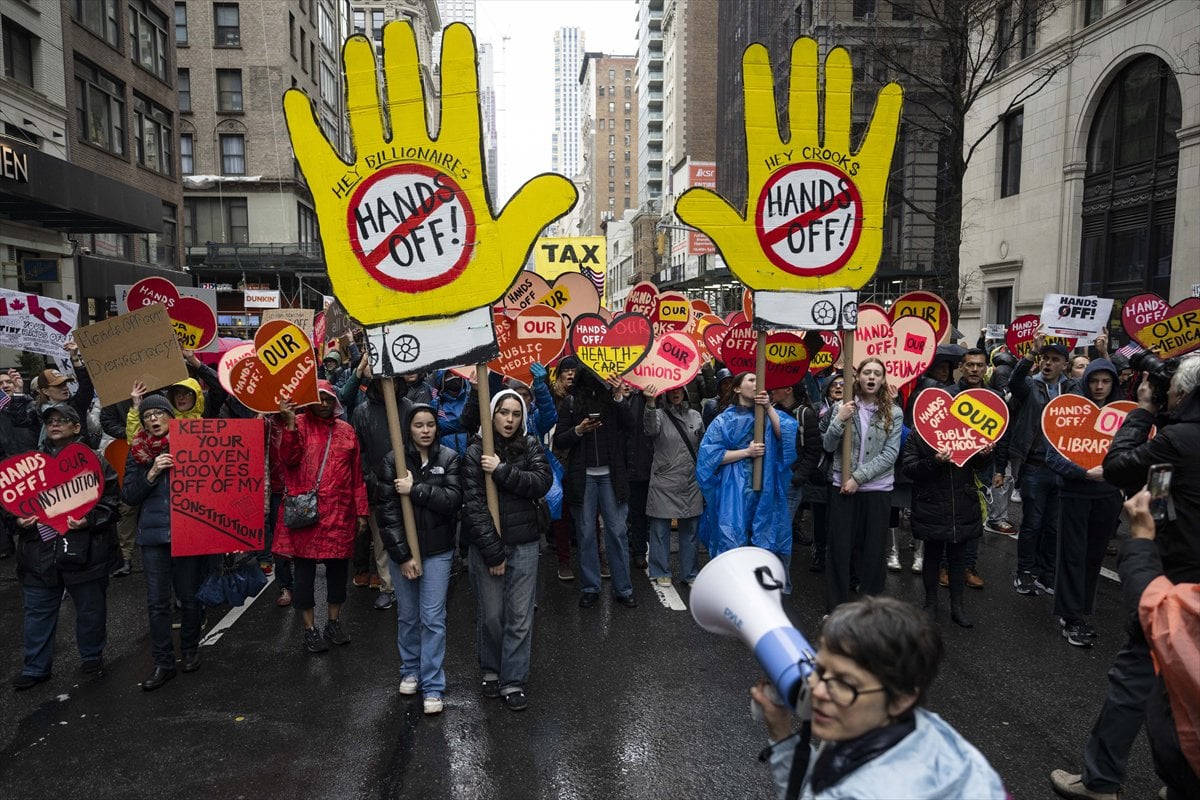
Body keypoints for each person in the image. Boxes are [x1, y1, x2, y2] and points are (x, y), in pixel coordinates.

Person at [1051, 354, 1200, 800]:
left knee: (1135, 675)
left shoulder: (1179, 438)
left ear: (1182, 392)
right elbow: (1163, 487)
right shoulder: (1179, 445)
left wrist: (1144, 410)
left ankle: (1100, 780)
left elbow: (1118, 464)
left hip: (1175, 577)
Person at [753, 596, 1006, 799]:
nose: (817, 691)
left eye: (844, 682)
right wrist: (781, 733)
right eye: (819, 670)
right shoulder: (883, 723)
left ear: (902, 699)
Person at [10, 404, 120, 690]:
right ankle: (35, 667)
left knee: (90, 609)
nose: (55, 424)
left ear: (76, 427)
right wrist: (17, 521)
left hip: (84, 551)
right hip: (39, 552)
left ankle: (92, 656)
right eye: (50, 421)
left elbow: (111, 504)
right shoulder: (29, 465)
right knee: (38, 612)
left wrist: (89, 521)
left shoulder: (94, 461)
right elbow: (10, 506)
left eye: (62, 420)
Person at [462, 389, 553, 711]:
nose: (510, 420)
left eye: (516, 414)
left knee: (519, 617)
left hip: (525, 544)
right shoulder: (475, 451)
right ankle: (491, 668)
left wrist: (501, 470)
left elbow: (541, 482)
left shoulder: (531, 446)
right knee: (492, 616)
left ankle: (513, 679)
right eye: (503, 412)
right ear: (492, 414)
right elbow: (472, 505)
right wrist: (494, 552)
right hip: (488, 548)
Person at [378, 404, 462, 716]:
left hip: (439, 552)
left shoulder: (449, 459)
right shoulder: (393, 461)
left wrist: (417, 490)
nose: (425, 430)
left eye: (430, 425)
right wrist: (402, 556)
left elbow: (453, 501)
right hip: (405, 556)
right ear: (408, 428)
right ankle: (410, 670)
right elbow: (387, 514)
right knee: (408, 616)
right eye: (418, 425)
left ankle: (433, 684)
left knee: (433, 618)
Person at [273, 382, 369, 654]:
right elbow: (288, 459)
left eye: (328, 399)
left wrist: (362, 511)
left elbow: (357, 475)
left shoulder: (347, 431)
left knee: (338, 573)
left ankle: (333, 622)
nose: (324, 404)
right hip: (308, 514)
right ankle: (309, 629)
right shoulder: (299, 424)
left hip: (339, 514)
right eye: (319, 399)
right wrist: (290, 424)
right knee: (303, 574)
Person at [121, 395, 210, 690]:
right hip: (154, 537)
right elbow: (129, 496)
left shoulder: (192, 443)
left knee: (190, 597)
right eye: (148, 416)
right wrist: (152, 472)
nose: (154, 420)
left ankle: (189, 651)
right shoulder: (137, 452)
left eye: (160, 414)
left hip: (188, 531)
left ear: (171, 417)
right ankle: (163, 662)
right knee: (157, 603)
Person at [1047, 359, 1125, 647]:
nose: (1100, 386)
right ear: (1086, 382)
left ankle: (1082, 613)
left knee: (1093, 558)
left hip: (1107, 497)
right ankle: (1070, 617)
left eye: (1106, 381)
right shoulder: (1067, 412)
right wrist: (1082, 472)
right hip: (1074, 494)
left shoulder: (1122, 414)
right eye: (1095, 381)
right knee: (1071, 557)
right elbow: (1052, 458)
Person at [821, 358, 903, 613]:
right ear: (858, 377)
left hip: (876, 490)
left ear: (882, 379)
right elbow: (828, 446)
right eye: (867, 372)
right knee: (839, 549)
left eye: (877, 373)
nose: (871, 377)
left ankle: (870, 612)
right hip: (841, 486)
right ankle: (835, 609)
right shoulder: (841, 407)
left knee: (873, 553)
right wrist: (839, 420)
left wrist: (858, 478)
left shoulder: (894, 412)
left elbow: (890, 455)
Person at [553, 369, 638, 609]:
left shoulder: (613, 399)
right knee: (586, 533)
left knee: (617, 531)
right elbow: (559, 439)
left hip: (612, 476)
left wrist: (619, 397)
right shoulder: (570, 403)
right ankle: (590, 587)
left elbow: (631, 426)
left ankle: (624, 588)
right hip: (584, 477)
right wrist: (579, 430)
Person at [1001, 337, 1079, 597]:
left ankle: (1046, 574)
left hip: (1062, 468)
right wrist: (1031, 353)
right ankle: (1024, 572)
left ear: (1064, 365)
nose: (1048, 363)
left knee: (1053, 525)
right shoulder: (1030, 386)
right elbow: (1014, 382)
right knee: (1033, 523)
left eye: (1055, 359)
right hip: (1035, 465)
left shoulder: (1071, 389)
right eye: (1045, 358)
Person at [696, 372, 797, 565]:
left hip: (766, 490)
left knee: (765, 540)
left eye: (759, 380)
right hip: (734, 490)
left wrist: (767, 407)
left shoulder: (769, 415)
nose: (757, 383)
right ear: (737, 388)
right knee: (732, 540)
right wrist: (746, 452)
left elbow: (785, 436)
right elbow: (710, 458)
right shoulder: (723, 421)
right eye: (751, 380)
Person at [901, 431, 991, 628]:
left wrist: (984, 455)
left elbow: (977, 465)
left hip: (962, 501)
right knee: (932, 556)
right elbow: (908, 468)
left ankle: (957, 607)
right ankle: (931, 604)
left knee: (958, 558)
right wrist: (935, 461)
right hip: (931, 502)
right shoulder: (919, 434)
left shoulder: (967, 428)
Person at [351, 375, 410, 609]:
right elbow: (359, 452)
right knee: (383, 539)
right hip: (377, 485)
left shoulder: (409, 408)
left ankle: (412, 583)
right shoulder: (362, 412)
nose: (390, 385)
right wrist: (371, 478)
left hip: (408, 482)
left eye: (395, 381)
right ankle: (388, 586)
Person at [643, 386, 703, 587]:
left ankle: (690, 573)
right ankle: (661, 570)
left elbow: (703, 445)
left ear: (686, 391)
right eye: (672, 390)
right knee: (660, 529)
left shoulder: (696, 416)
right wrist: (650, 403)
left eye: (680, 390)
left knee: (691, 530)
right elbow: (650, 429)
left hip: (691, 480)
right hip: (664, 479)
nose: (676, 393)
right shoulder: (658, 414)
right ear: (665, 392)